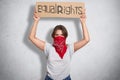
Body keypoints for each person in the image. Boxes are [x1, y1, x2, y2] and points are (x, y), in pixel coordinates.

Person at [29, 8, 90, 80]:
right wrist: (36, 21)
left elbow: (86, 39)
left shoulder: (70, 48)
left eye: (62, 35)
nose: (59, 37)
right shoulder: (48, 48)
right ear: (53, 36)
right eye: (57, 35)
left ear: (65, 36)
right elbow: (31, 37)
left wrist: (83, 22)